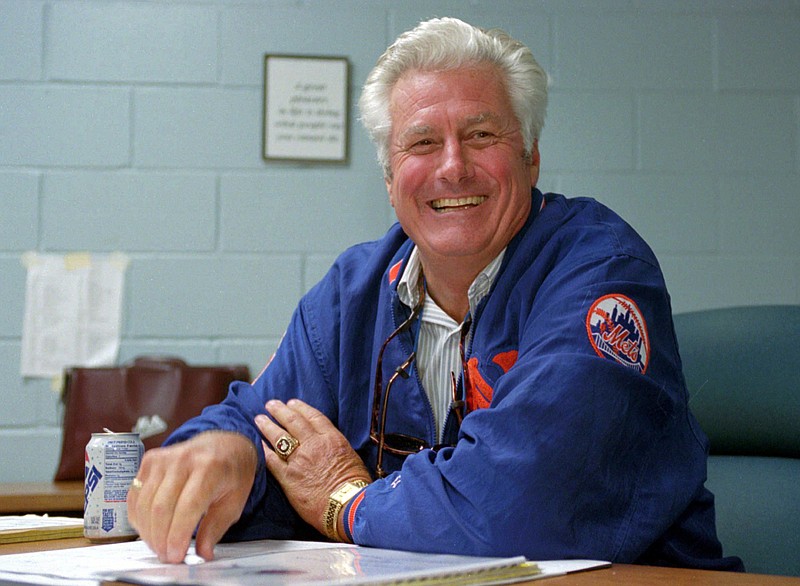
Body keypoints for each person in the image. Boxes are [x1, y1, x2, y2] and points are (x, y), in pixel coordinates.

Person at [127, 17, 743, 572]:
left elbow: (516, 506)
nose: (453, 167)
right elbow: (261, 422)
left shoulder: (596, 272)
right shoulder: (355, 291)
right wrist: (228, 453)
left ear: (530, 159)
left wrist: (346, 501)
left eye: (481, 136)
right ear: (391, 178)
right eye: (422, 143)